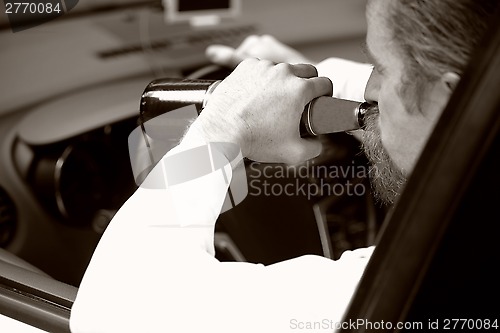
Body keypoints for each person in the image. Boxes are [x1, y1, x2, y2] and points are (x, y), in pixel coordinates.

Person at [69, 0, 497, 332]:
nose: (373, 88)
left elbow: (112, 308)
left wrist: (220, 127)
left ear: (448, 101)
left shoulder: (390, 289)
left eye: (382, 68)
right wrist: (320, 84)